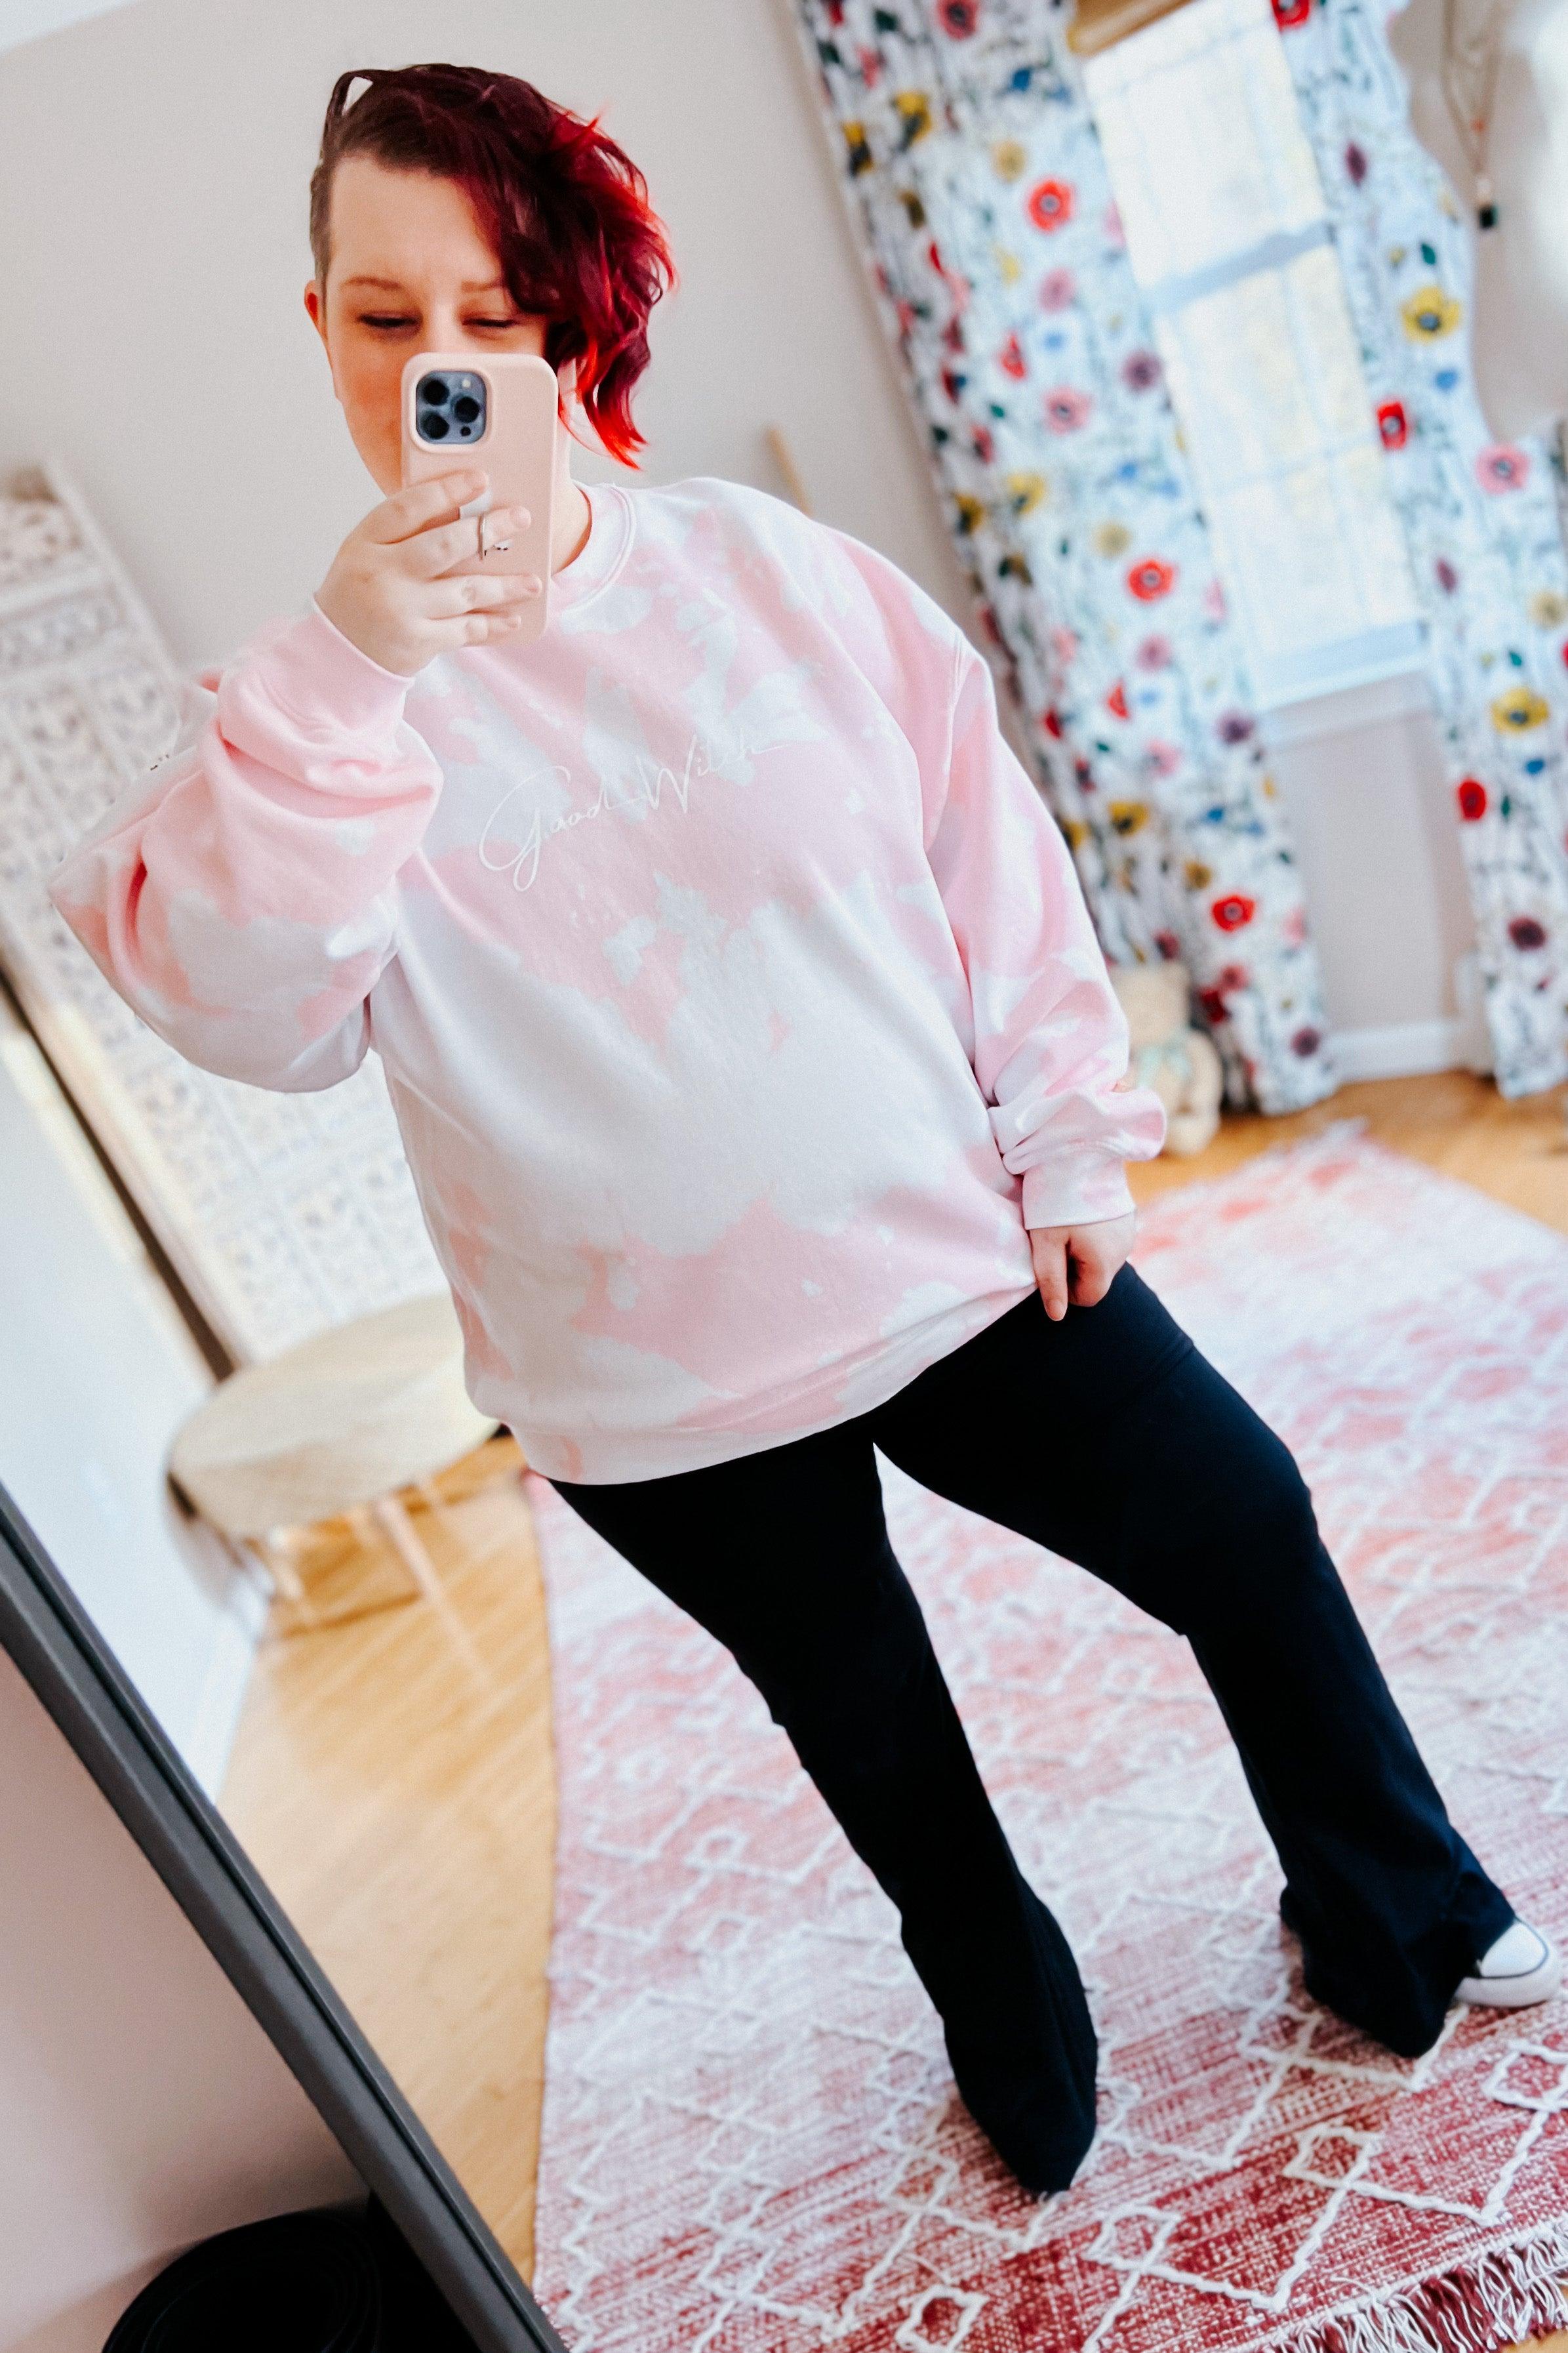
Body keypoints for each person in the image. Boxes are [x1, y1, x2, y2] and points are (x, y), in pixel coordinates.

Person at [49, 62, 1559, 2196]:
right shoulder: (300, 714)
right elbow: (254, 1016)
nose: (443, 370)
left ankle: (1390, 1898)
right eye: (386, 319)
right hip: (646, 1381)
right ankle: (1001, 1991)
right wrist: (351, 675)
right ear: (316, 326)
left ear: (576, 327)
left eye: (496, 314)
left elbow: (990, 855)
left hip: (947, 1255)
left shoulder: (770, 576)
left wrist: (1069, 1135)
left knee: (1240, 1514)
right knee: (871, 1724)